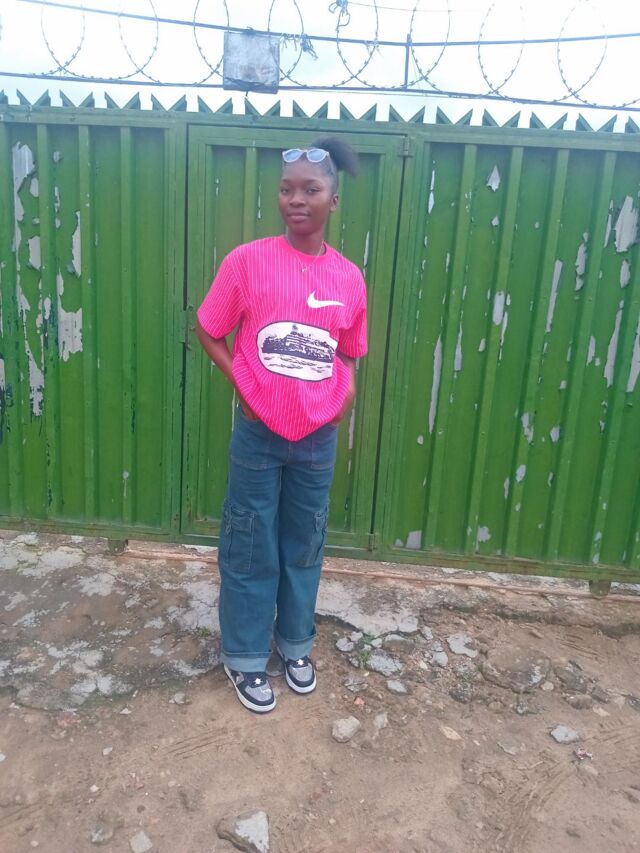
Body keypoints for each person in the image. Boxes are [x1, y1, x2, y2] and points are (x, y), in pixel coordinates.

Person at [196, 137, 368, 713]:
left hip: (317, 439)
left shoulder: (349, 278)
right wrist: (243, 385)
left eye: (310, 190)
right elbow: (209, 329)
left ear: (332, 201)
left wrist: (344, 394)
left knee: (304, 544)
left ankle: (295, 645)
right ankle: (245, 656)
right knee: (249, 543)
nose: (297, 199)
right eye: (287, 189)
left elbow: (349, 351)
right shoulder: (247, 262)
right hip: (259, 435)